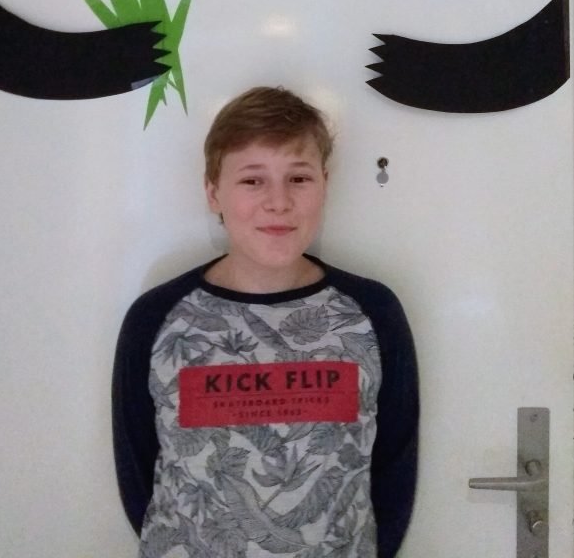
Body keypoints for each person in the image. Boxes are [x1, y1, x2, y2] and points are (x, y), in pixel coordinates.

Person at [112, 86, 419, 557]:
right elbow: (139, 477)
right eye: (252, 180)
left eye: (298, 178)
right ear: (213, 192)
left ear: (324, 184)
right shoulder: (156, 319)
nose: (278, 201)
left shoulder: (374, 313)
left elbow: (394, 473)